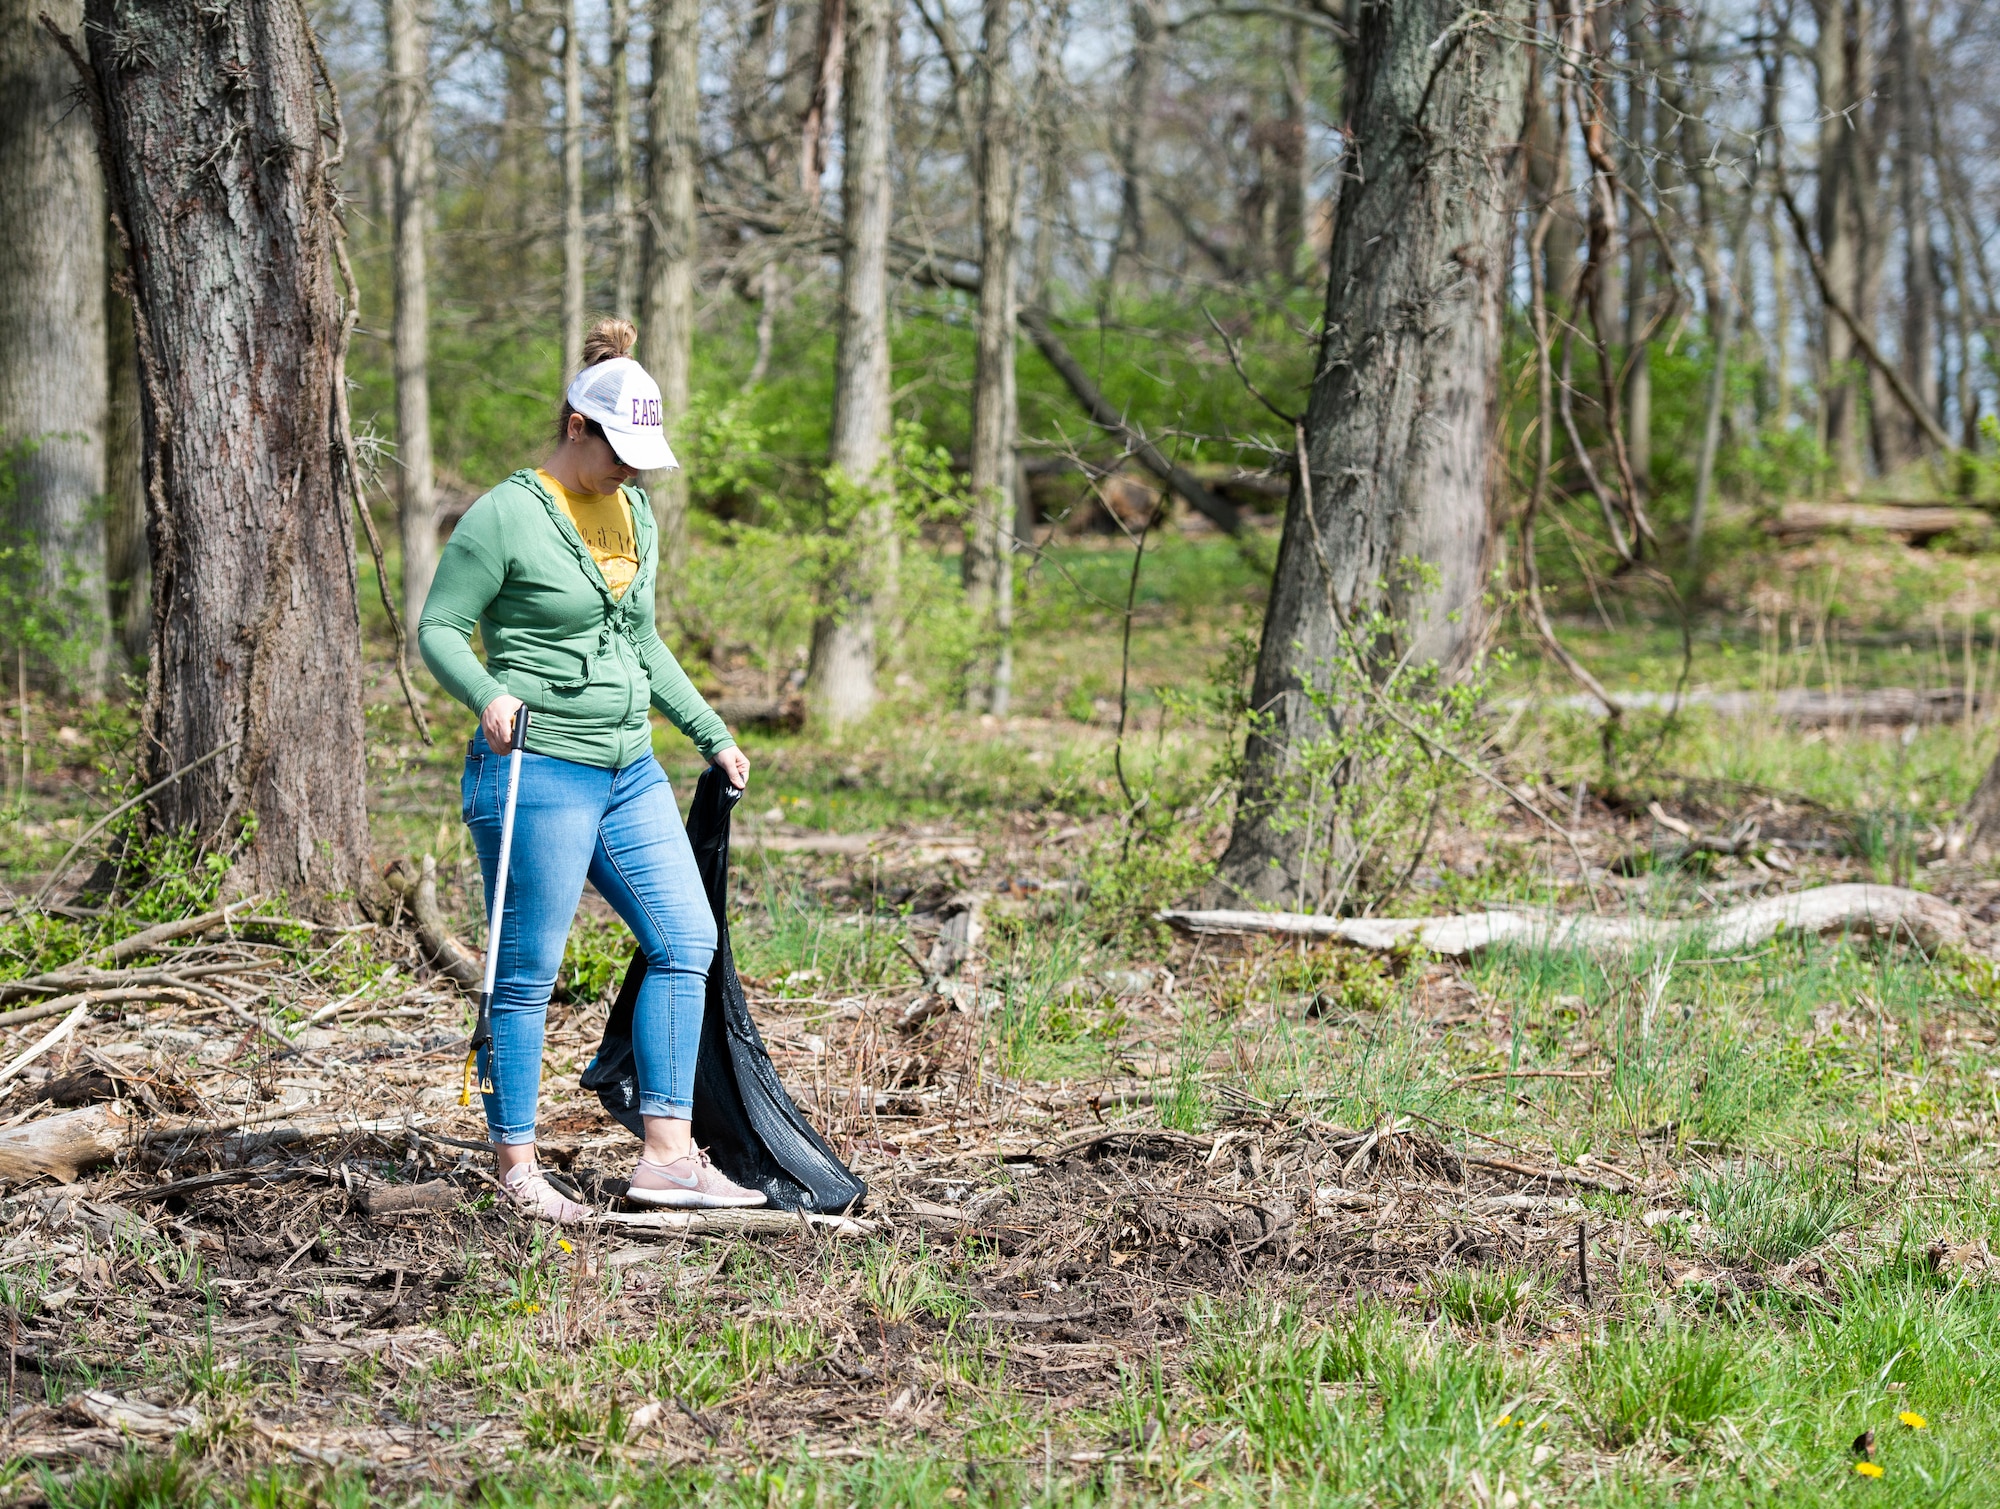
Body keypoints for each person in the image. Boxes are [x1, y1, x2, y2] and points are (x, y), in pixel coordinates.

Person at [417, 316, 766, 1224]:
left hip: (627, 766)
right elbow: (440, 629)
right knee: (528, 969)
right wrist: (486, 692)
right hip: (539, 768)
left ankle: (667, 1157)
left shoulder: (636, 510)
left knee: (686, 939)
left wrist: (707, 730)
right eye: (622, 452)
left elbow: (641, 636)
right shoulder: (507, 513)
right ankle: (518, 1168)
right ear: (579, 426)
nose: (636, 470)